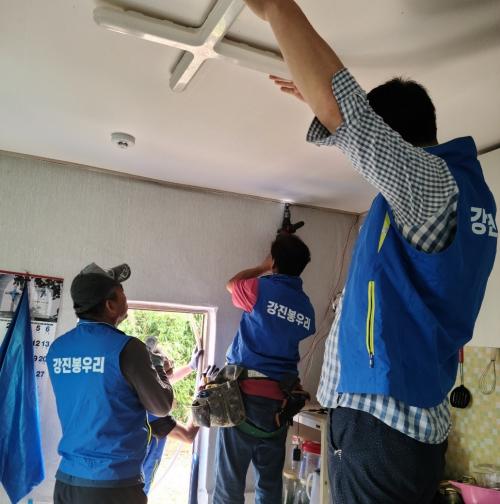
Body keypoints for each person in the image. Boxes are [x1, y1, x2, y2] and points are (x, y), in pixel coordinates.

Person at [241, 1, 498, 502]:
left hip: (383, 426)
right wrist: (332, 114)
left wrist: (275, 9)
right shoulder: (453, 194)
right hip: (392, 425)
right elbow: (354, 125)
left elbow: (350, 118)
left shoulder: (431, 187)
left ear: (390, 139)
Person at [47, 263, 174, 504]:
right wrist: (158, 368)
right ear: (110, 305)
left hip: (67, 481)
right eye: (122, 294)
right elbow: (161, 406)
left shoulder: (58, 349)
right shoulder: (127, 348)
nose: (126, 300)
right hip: (113, 485)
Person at [213, 234, 316, 504]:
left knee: (229, 485)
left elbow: (231, 284)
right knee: (269, 486)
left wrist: (262, 267)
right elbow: (303, 328)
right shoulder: (305, 306)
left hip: (243, 399)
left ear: (274, 261)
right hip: (279, 405)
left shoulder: (259, 289)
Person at [142, 336, 203, 495]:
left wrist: (190, 367)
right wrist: (202, 396)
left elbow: (166, 382)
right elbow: (188, 435)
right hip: (137, 488)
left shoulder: (140, 393)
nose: (171, 371)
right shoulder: (154, 413)